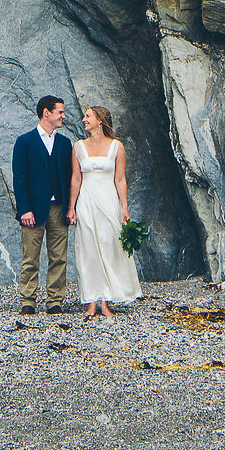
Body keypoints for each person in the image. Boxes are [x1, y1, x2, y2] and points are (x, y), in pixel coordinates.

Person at [68, 104, 141, 316]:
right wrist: (71, 207)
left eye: (88, 116)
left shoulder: (117, 146)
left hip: (109, 201)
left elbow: (120, 179)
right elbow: (76, 178)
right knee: (89, 249)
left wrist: (125, 207)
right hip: (87, 201)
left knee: (110, 246)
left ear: (100, 119)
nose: (84, 119)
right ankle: (91, 300)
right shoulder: (78, 147)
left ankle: (107, 300)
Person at [11, 95, 73, 314]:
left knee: (59, 257)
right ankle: (28, 300)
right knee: (30, 257)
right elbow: (19, 178)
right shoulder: (24, 142)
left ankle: (55, 300)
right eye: (60, 112)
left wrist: (70, 207)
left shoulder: (65, 143)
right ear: (46, 113)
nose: (63, 116)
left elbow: (69, 177)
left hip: (59, 208)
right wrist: (24, 209)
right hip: (33, 209)